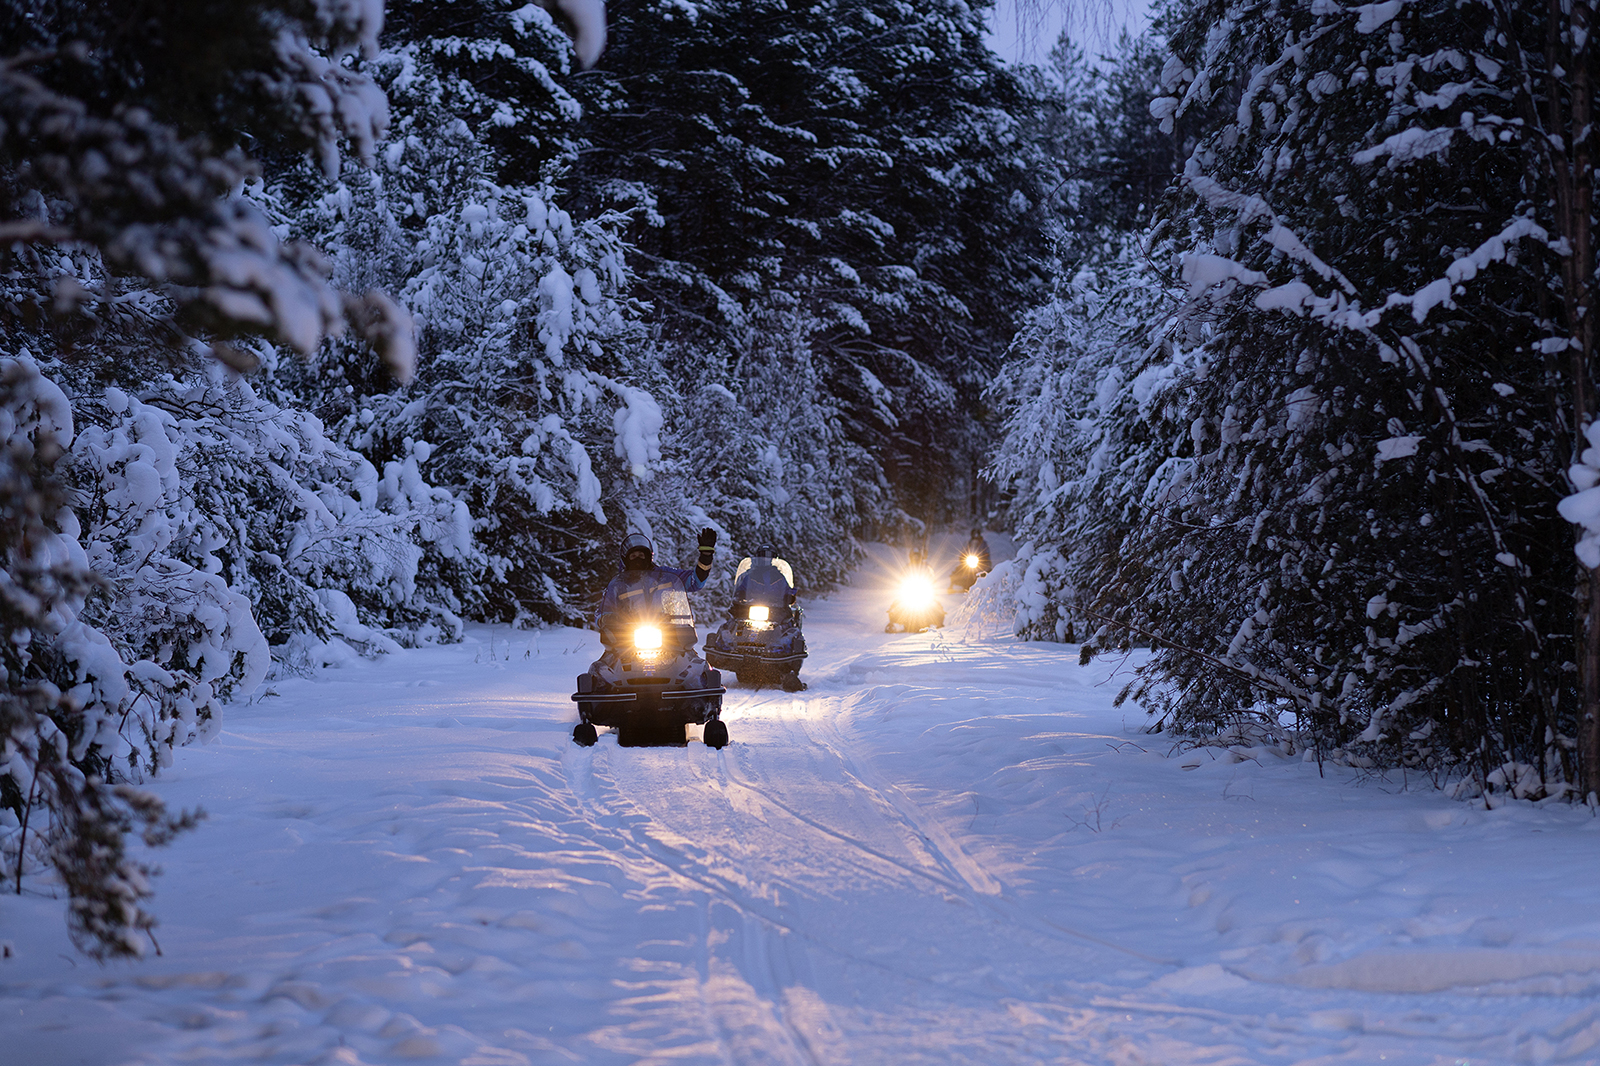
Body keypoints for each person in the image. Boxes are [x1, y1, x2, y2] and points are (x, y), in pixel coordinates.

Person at [595, 528, 717, 651]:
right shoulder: (619, 584)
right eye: (633, 556)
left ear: (648, 556)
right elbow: (602, 612)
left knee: (693, 663)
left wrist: (705, 556)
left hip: (668, 636)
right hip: (628, 640)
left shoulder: (664, 576)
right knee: (605, 666)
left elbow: (695, 582)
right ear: (626, 559)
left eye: (641, 555)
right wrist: (608, 618)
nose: (638, 559)